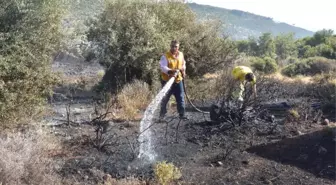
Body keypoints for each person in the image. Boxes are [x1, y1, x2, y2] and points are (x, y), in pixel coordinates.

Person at [159, 40, 188, 120]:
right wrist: (170, 71)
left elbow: (183, 63)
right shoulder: (165, 56)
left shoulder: (181, 54)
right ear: (170, 46)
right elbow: (163, 67)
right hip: (167, 81)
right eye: (172, 46)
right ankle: (162, 116)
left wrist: (183, 70)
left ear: (178, 47)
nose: (174, 48)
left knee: (180, 98)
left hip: (178, 80)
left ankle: (182, 114)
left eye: (176, 46)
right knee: (165, 98)